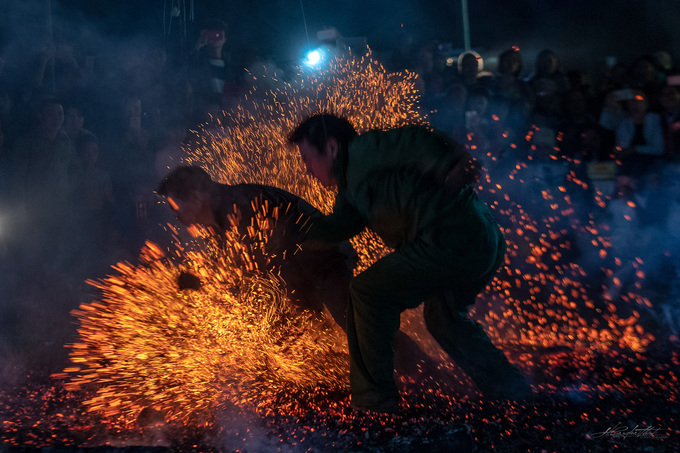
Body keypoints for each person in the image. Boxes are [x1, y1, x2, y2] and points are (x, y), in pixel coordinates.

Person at [287, 113, 531, 412]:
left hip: (451, 237)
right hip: (479, 239)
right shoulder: (351, 187)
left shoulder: (366, 150)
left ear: (333, 147)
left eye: (308, 158)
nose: (308, 170)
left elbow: (415, 139)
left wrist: (454, 161)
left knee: (368, 293)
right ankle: (513, 391)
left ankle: (374, 402)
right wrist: (292, 235)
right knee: (445, 321)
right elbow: (340, 225)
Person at [156, 165, 441, 379]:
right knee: (303, 337)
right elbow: (242, 274)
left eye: (174, 206)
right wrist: (203, 283)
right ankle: (354, 381)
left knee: (352, 320)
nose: (176, 215)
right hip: (297, 276)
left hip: (324, 262)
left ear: (195, 196)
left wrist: (215, 286)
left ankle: (429, 376)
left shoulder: (239, 205)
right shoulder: (220, 221)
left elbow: (250, 272)